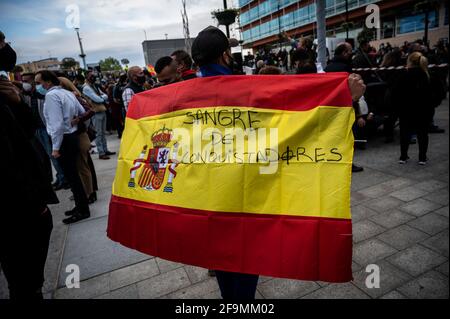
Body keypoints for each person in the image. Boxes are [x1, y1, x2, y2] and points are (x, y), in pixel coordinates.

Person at [191, 25, 366, 299]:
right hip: (249, 193)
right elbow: (299, 109)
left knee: (223, 254)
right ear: (225, 55)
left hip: (208, 194)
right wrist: (346, 95)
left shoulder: (183, 96)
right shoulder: (247, 90)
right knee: (247, 255)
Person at [0, 39, 57, 299]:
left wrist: (17, 103)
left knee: (27, 281)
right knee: (23, 282)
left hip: (26, 205)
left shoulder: (7, 96)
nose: (6, 49)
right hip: (17, 208)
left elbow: (31, 127)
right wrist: (33, 204)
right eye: (1, 44)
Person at [35, 70, 91, 224]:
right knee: (74, 176)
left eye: (38, 83)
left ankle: (82, 210)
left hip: (64, 139)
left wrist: (55, 148)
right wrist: (74, 121)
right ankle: (81, 205)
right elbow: (81, 111)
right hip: (71, 136)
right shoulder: (67, 93)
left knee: (72, 177)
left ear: (47, 82)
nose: (37, 86)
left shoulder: (51, 95)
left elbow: (57, 125)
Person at [21, 72, 70, 190]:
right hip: (35, 129)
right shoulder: (27, 95)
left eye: (27, 81)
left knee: (53, 155)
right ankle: (54, 178)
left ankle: (63, 179)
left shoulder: (45, 95)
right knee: (43, 157)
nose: (24, 84)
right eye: (23, 81)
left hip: (45, 128)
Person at [325, 42, 367, 173]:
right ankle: (348, 163)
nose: (351, 54)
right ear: (343, 53)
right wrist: (358, 114)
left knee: (333, 137)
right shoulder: (347, 69)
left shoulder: (327, 68)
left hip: (330, 108)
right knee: (348, 137)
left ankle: (332, 160)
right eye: (349, 52)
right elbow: (352, 93)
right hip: (345, 107)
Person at [59, 77, 98, 204]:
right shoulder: (69, 96)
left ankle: (88, 193)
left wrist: (78, 119)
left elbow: (90, 110)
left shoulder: (73, 96)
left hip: (80, 135)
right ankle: (87, 192)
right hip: (77, 134)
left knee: (82, 166)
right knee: (82, 166)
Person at [392, 52, 434, 165]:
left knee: (404, 133)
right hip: (423, 110)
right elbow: (435, 94)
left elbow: (395, 93)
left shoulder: (403, 75)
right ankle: (422, 157)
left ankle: (403, 156)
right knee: (423, 134)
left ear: (409, 61)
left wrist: (397, 107)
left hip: (406, 110)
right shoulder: (427, 75)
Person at [82, 72, 115, 160]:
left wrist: (101, 97)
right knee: (98, 133)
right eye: (91, 76)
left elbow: (105, 96)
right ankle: (101, 152)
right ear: (87, 77)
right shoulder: (86, 88)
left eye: (94, 76)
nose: (93, 78)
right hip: (96, 112)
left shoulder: (94, 86)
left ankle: (105, 150)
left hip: (101, 110)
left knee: (102, 133)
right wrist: (101, 97)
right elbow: (98, 99)